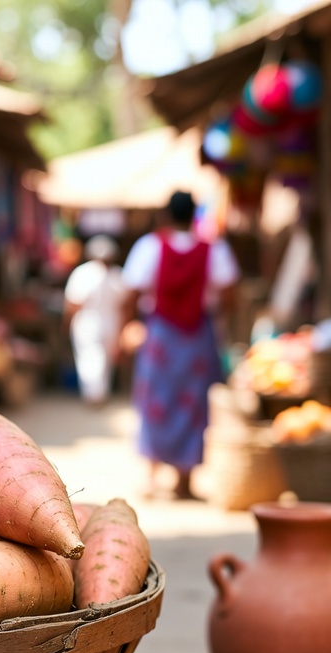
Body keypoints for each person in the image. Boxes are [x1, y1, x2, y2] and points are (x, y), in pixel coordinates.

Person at [121, 190, 240, 499]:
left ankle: (150, 475)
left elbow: (131, 293)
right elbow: (230, 294)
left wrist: (127, 326)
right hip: (198, 334)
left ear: (166, 215)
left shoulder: (149, 247)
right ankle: (184, 481)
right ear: (194, 216)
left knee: (155, 401)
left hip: (160, 335)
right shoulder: (214, 249)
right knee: (193, 403)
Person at [62, 235, 125, 407]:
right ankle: (98, 395)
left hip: (88, 322)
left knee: (92, 359)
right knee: (101, 360)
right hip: (110, 321)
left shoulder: (83, 273)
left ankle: (95, 396)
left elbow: (73, 303)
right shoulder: (118, 274)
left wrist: (66, 322)